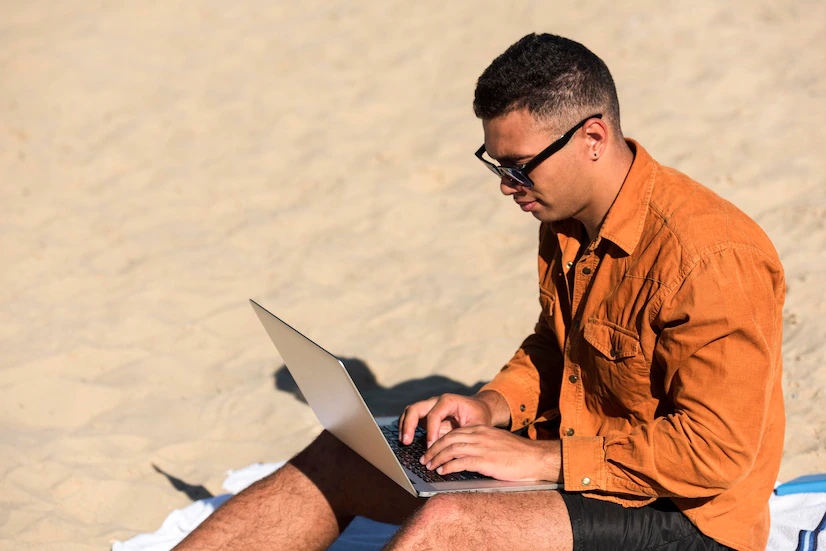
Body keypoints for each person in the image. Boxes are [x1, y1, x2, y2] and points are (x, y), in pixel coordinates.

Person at [174, 33, 785, 551]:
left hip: (692, 517)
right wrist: (490, 407)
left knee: (449, 526)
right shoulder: (565, 217)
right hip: (582, 459)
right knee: (345, 456)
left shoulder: (713, 257)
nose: (507, 186)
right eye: (496, 166)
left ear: (593, 137)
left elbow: (715, 451)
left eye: (520, 166)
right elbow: (558, 347)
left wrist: (542, 461)